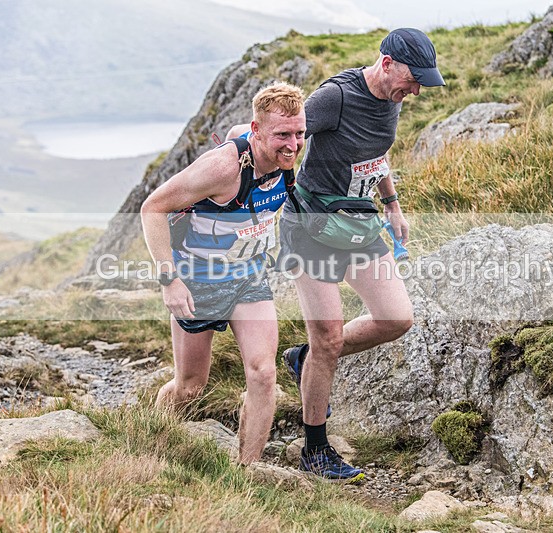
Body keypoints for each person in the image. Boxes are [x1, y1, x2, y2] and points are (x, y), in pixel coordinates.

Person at [278, 28, 445, 482]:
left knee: (396, 318)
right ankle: (315, 450)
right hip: (310, 226)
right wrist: (240, 189)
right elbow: (284, 137)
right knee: (328, 340)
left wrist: (392, 205)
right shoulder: (335, 97)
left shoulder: (392, 101)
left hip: (357, 221)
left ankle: (305, 359)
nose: (414, 92)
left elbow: (377, 156)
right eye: (412, 80)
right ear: (387, 62)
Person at [140, 82, 306, 465]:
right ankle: (150, 438)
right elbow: (152, 208)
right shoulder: (222, 168)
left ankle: (243, 474)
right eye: (282, 134)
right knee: (190, 388)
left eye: (299, 133)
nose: (293, 145)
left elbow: (238, 133)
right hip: (197, 280)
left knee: (264, 375)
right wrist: (170, 280)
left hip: (249, 277)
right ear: (257, 129)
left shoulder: (285, 156)